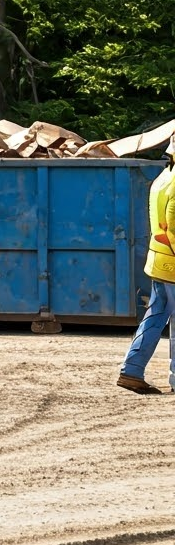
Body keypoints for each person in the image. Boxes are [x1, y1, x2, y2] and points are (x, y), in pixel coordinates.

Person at [118, 135, 175, 394]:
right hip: (173, 262)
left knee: (156, 316)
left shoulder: (162, 179)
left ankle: (132, 370)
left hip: (159, 261)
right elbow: (172, 227)